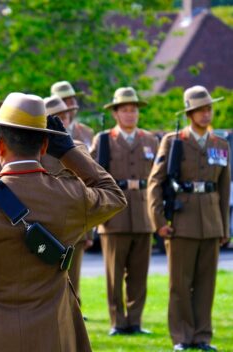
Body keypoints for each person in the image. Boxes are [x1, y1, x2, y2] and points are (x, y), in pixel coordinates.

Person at [0, 92, 126, 352]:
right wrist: (70, 151)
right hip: (59, 332)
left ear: (0, 146)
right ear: (45, 147)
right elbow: (114, 195)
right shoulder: (70, 193)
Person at [148, 85, 230, 352]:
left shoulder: (220, 143)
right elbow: (155, 182)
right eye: (200, 110)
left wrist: (224, 225)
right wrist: (159, 221)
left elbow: (224, 186)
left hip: (211, 221)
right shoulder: (174, 142)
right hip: (181, 222)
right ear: (190, 113)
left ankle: (202, 336)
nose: (206, 114)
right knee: (180, 284)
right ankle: (182, 337)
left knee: (207, 283)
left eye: (209, 109)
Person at [90, 87, 159, 336]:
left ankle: (135, 321)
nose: (130, 114)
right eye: (125, 110)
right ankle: (117, 322)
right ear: (116, 114)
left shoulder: (151, 140)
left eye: (134, 110)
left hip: (143, 214)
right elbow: (91, 175)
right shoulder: (104, 140)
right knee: (114, 274)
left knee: (139, 274)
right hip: (114, 216)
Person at [42, 95, 93, 307]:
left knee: (73, 286)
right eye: (57, 117)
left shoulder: (78, 148)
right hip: (44, 226)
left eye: (65, 116)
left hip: (73, 225)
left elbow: (87, 189)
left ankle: (73, 332)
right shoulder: (38, 149)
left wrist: (88, 230)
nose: (63, 120)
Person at [51, 81, 94, 147]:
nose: (72, 101)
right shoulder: (47, 133)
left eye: (73, 97)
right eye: (64, 99)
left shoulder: (87, 132)